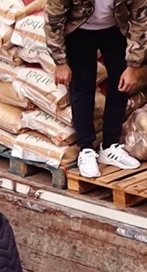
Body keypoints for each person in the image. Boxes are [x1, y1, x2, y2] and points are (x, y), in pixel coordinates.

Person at [44, 0, 145, 178]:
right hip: (79, 30)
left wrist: (133, 65)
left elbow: (141, 19)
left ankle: (110, 146)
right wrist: (60, 61)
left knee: (121, 84)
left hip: (115, 29)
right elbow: (53, 19)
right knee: (82, 87)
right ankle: (86, 149)